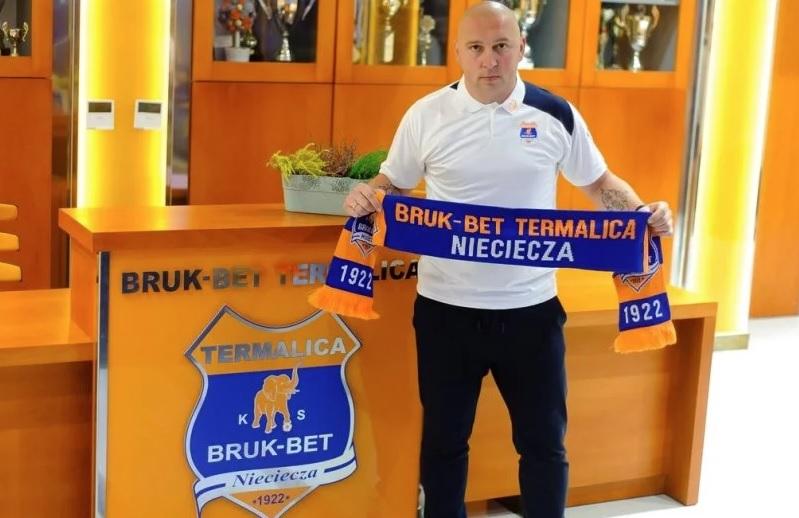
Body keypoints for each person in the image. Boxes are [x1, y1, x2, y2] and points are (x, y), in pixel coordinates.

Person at [343, 2, 673, 517]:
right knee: (443, 445)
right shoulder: (426, 115)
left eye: (501, 46)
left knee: (544, 445)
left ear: (521, 48)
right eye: (476, 48)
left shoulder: (555, 113)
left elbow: (598, 183)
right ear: (458, 53)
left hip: (531, 312)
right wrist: (369, 192)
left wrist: (640, 214)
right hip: (446, 310)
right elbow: (396, 182)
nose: (489, 60)